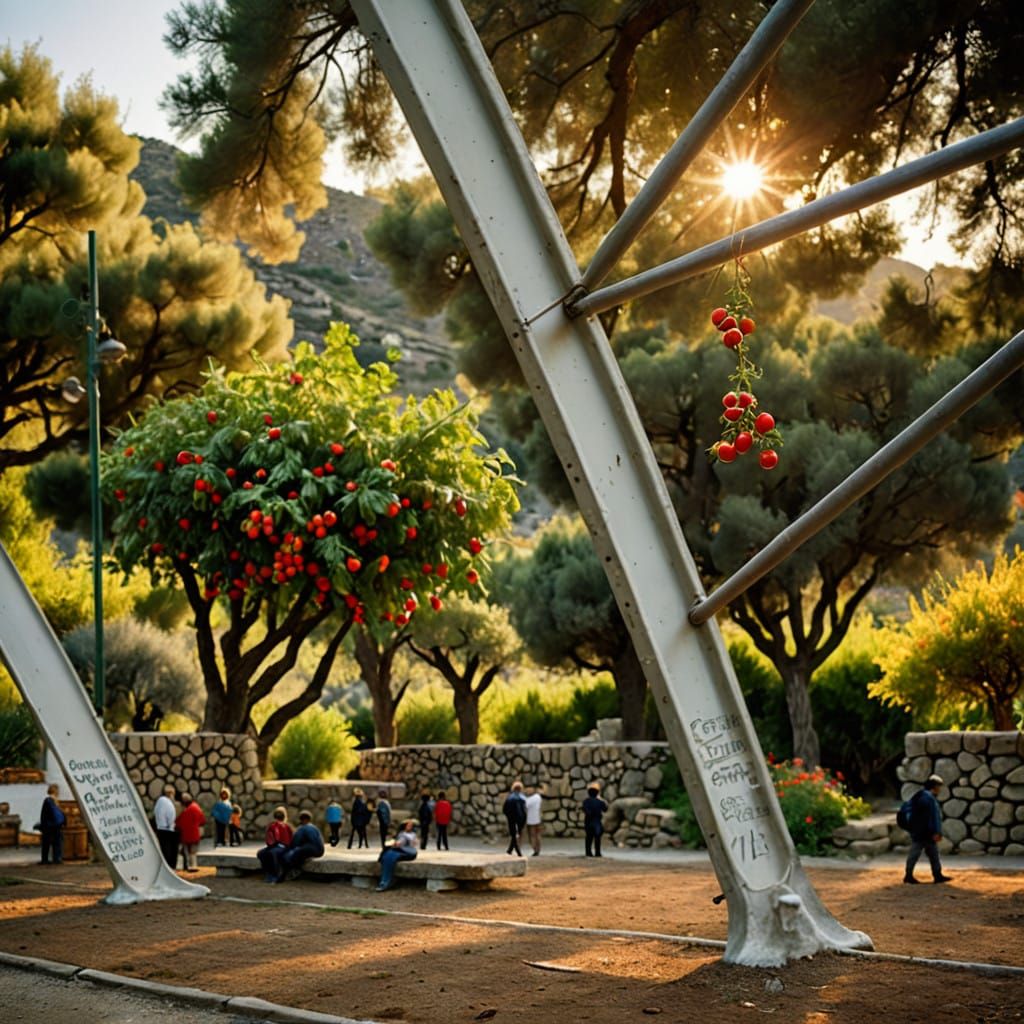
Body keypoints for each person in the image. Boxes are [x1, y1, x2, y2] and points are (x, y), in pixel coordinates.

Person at [904, 774, 953, 885]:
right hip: (925, 833)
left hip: (920, 831)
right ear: (934, 787)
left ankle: (936, 875)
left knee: (931, 854)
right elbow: (933, 817)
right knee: (918, 854)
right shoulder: (929, 799)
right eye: (939, 786)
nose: (940, 789)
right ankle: (910, 875)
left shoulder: (920, 796)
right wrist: (936, 831)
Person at [279, 810, 325, 881]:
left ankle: (295, 870)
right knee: (301, 851)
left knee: (296, 853)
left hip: (312, 849)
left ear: (302, 820)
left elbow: (295, 842)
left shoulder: (303, 828)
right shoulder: (314, 827)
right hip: (321, 850)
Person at [376, 819, 419, 892]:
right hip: (398, 850)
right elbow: (399, 841)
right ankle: (384, 881)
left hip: (408, 852)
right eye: (408, 825)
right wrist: (395, 843)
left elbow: (407, 842)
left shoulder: (413, 835)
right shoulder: (401, 834)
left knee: (391, 856)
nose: (410, 827)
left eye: (411, 826)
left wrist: (399, 843)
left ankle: (385, 882)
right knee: (387, 856)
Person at [258, 806, 294, 883]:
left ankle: (275, 875)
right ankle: (268, 873)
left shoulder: (287, 826)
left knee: (272, 853)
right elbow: (270, 839)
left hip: (283, 846)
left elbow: (290, 839)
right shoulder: (273, 825)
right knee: (261, 853)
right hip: (275, 845)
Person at [175, 793, 206, 872]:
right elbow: (202, 820)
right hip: (195, 834)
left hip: (186, 835)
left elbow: (179, 823)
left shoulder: (186, 810)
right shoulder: (196, 807)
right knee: (193, 852)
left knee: (187, 851)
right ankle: (194, 865)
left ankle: (188, 866)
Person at [38, 784, 65, 865]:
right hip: (56, 825)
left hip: (48, 825)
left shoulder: (47, 800)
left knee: (46, 843)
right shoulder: (55, 801)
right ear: (56, 791)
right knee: (57, 843)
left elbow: (44, 814)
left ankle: (45, 859)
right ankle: (57, 858)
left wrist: (43, 825)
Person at [153, 785, 179, 867]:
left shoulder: (159, 801)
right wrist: (171, 824)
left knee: (163, 849)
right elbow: (170, 815)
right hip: (168, 829)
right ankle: (171, 866)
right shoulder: (168, 803)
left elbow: (155, 812)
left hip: (160, 828)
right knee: (169, 851)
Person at [582, 784, 608, 858]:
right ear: (597, 793)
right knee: (597, 838)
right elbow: (605, 809)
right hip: (597, 821)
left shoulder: (586, 801)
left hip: (588, 821)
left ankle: (588, 852)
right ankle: (597, 852)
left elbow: (585, 810)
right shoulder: (600, 802)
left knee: (588, 838)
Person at [502, 780, 527, 857]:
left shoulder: (509, 798)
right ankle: (514, 851)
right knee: (516, 834)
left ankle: (512, 851)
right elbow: (524, 809)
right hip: (520, 818)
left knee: (513, 835)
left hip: (511, 818)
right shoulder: (522, 798)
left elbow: (504, 809)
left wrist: (508, 816)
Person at [524, 784, 544, 857]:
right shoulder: (538, 797)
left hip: (531, 820)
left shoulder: (530, 799)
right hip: (538, 818)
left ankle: (535, 849)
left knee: (532, 835)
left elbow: (525, 805)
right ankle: (538, 849)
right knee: (538, 835)